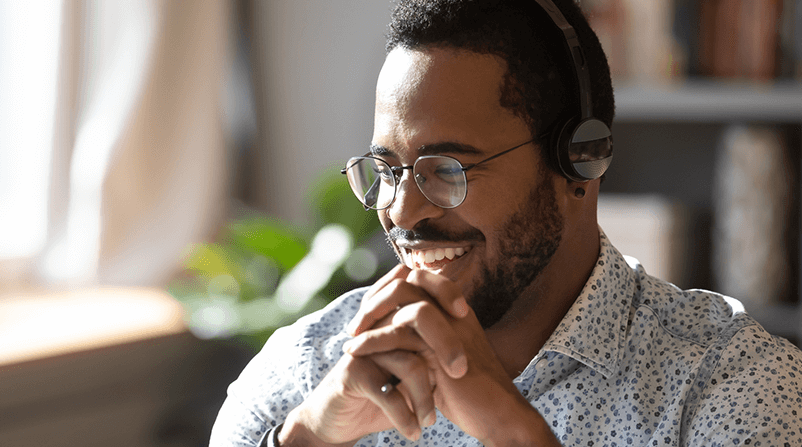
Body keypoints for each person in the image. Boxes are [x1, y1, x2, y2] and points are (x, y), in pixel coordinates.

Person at [210, 0, 802, 445]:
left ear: (581, 161)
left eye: (446, 169)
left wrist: (509, 429)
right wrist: (308, 437)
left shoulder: (735, 391)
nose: (403, 211)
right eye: (388, 169)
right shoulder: (304, 373)